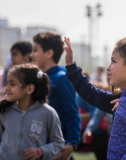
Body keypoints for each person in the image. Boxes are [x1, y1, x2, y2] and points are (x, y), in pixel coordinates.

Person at [31, 32, 81, 160]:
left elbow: (72, 112)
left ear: (49, 53)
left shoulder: (62, 78)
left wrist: (72, 144)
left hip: (56, 148)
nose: (31, 55)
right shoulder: (38, 78)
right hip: (39, 145)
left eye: (35, 50)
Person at [0, 63, 65, 160]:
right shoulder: (4, 110)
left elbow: (58, 143)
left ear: (29, 89)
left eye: (12, 84)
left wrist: (41, 151)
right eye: (7, 83)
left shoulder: (48, 113)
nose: (7, 88)